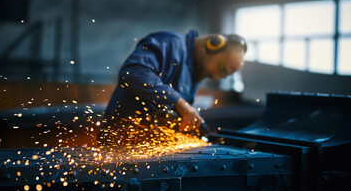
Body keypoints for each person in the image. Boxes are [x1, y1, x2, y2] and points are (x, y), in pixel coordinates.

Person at [100, 29, 247, 142]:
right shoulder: (170, 44)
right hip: (120, 145)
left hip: (151, 153)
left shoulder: (194, 74)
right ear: (213, 44)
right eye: (222, 69)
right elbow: (133, 72)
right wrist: (179, 103)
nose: (216, 77)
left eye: (224, 76)